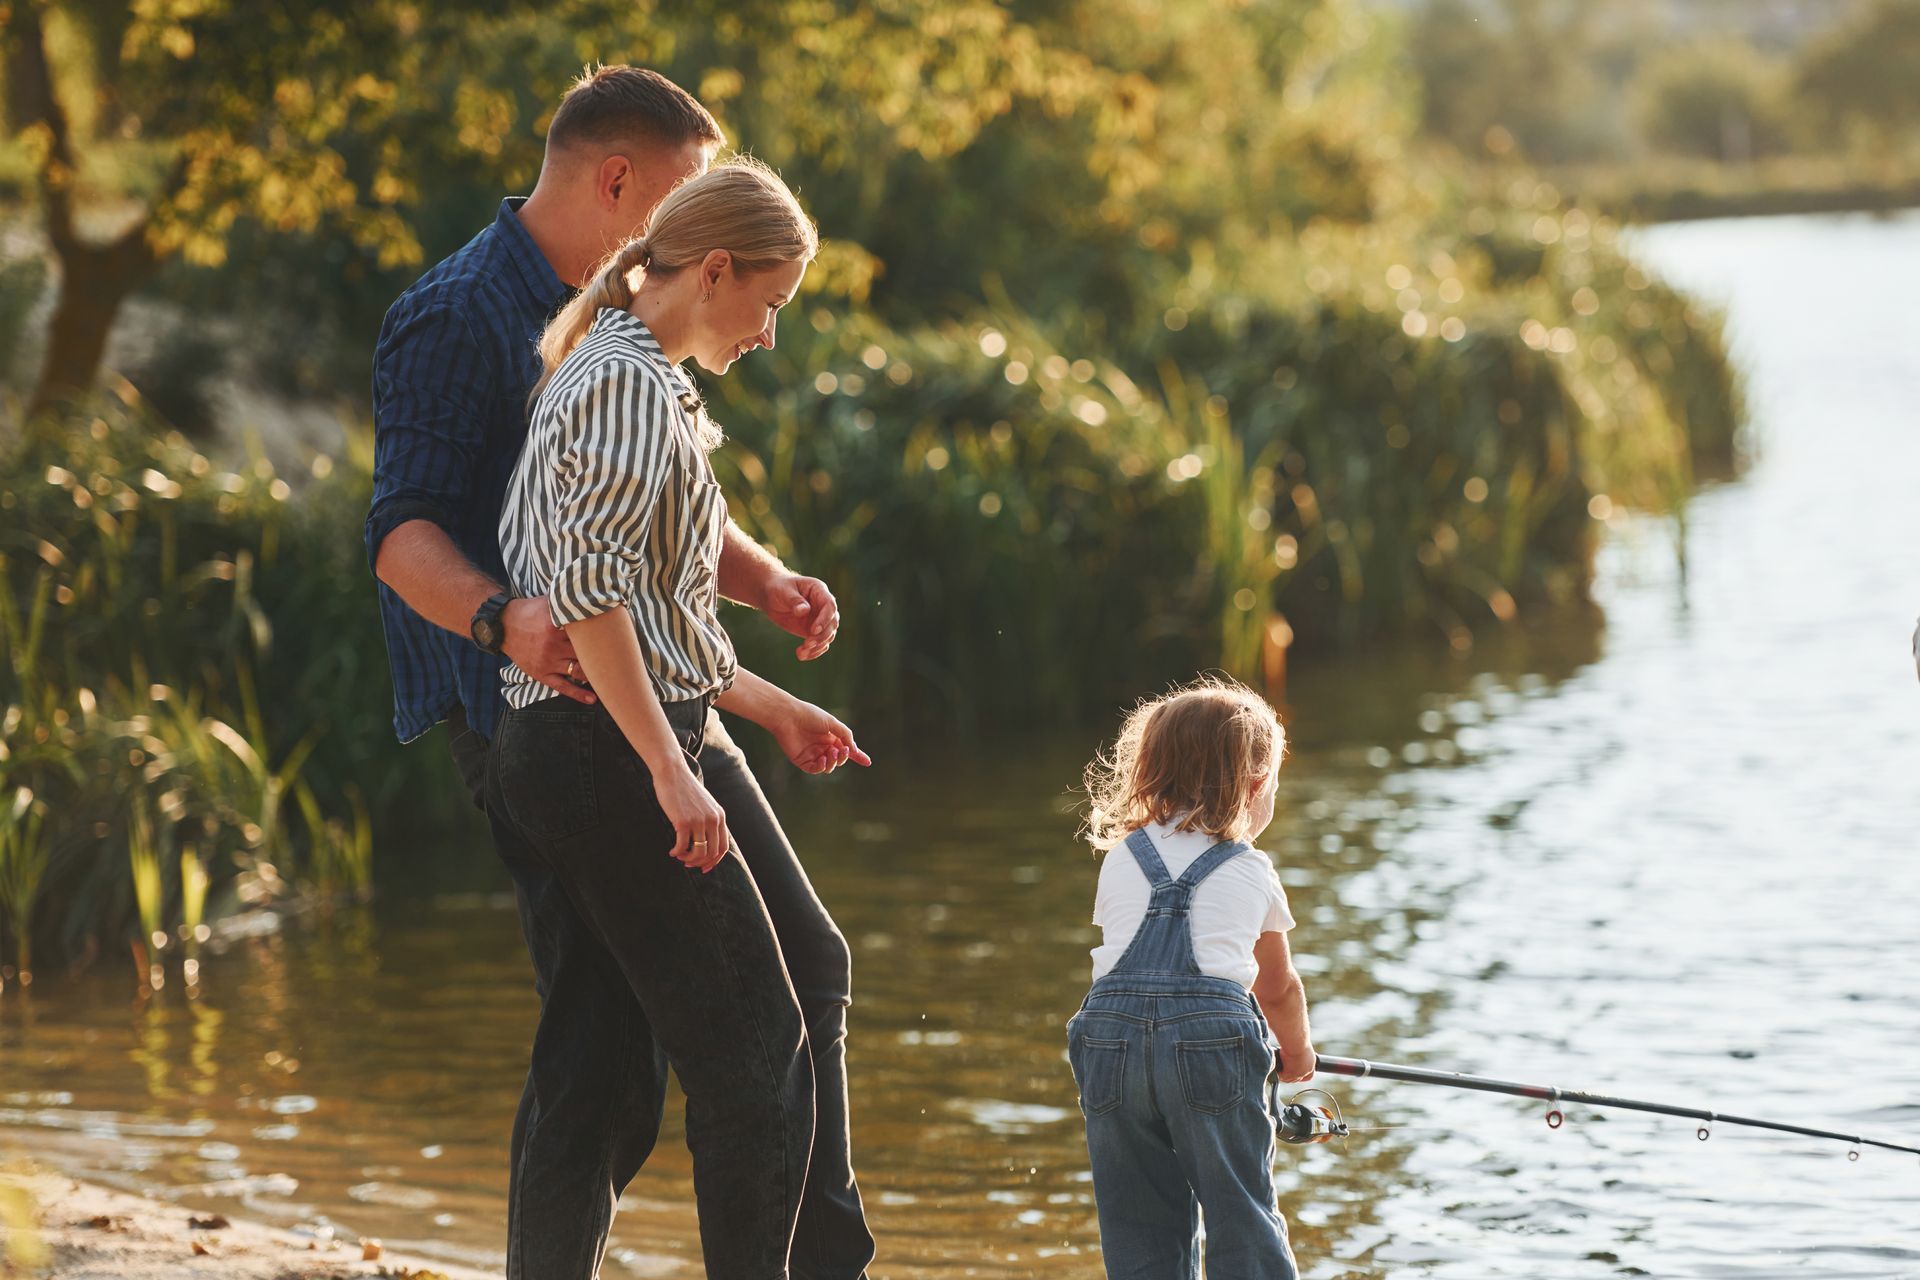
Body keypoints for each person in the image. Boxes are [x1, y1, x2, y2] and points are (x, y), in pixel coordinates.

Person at [365, 67, 874, 1279]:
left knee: (802, 975)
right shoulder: (468, 318)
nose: (691, 230)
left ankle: (826, 1258)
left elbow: (652, 547)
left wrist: (762, 605)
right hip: (545, 713)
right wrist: (505, 622)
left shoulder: (625, 343)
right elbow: (406, 537)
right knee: (618, 1060)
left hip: (648, 702)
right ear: (620, 182)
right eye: (686, 203)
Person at [490, 157, 854, 1278]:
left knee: (811, 965)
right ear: (713, 268)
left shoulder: (652, 377)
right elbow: (592, 600)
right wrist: (670, 767)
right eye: (773, 302)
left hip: (648, 728)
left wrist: (769, 702)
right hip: (600, 752)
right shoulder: (618, 384)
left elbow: (654, 612)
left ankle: (828, 1260)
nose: (771, 333)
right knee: (752, 1062)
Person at [1067, 675, 1317, 1280]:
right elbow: (1277, 987)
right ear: (1256, 787)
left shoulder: (1123, 856)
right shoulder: (1251, 867)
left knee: (1139, 1227)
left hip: (1109, 1046)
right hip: (1209, 1049)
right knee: (1241, 1215)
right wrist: (1298, 1053)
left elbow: (1127, 960)